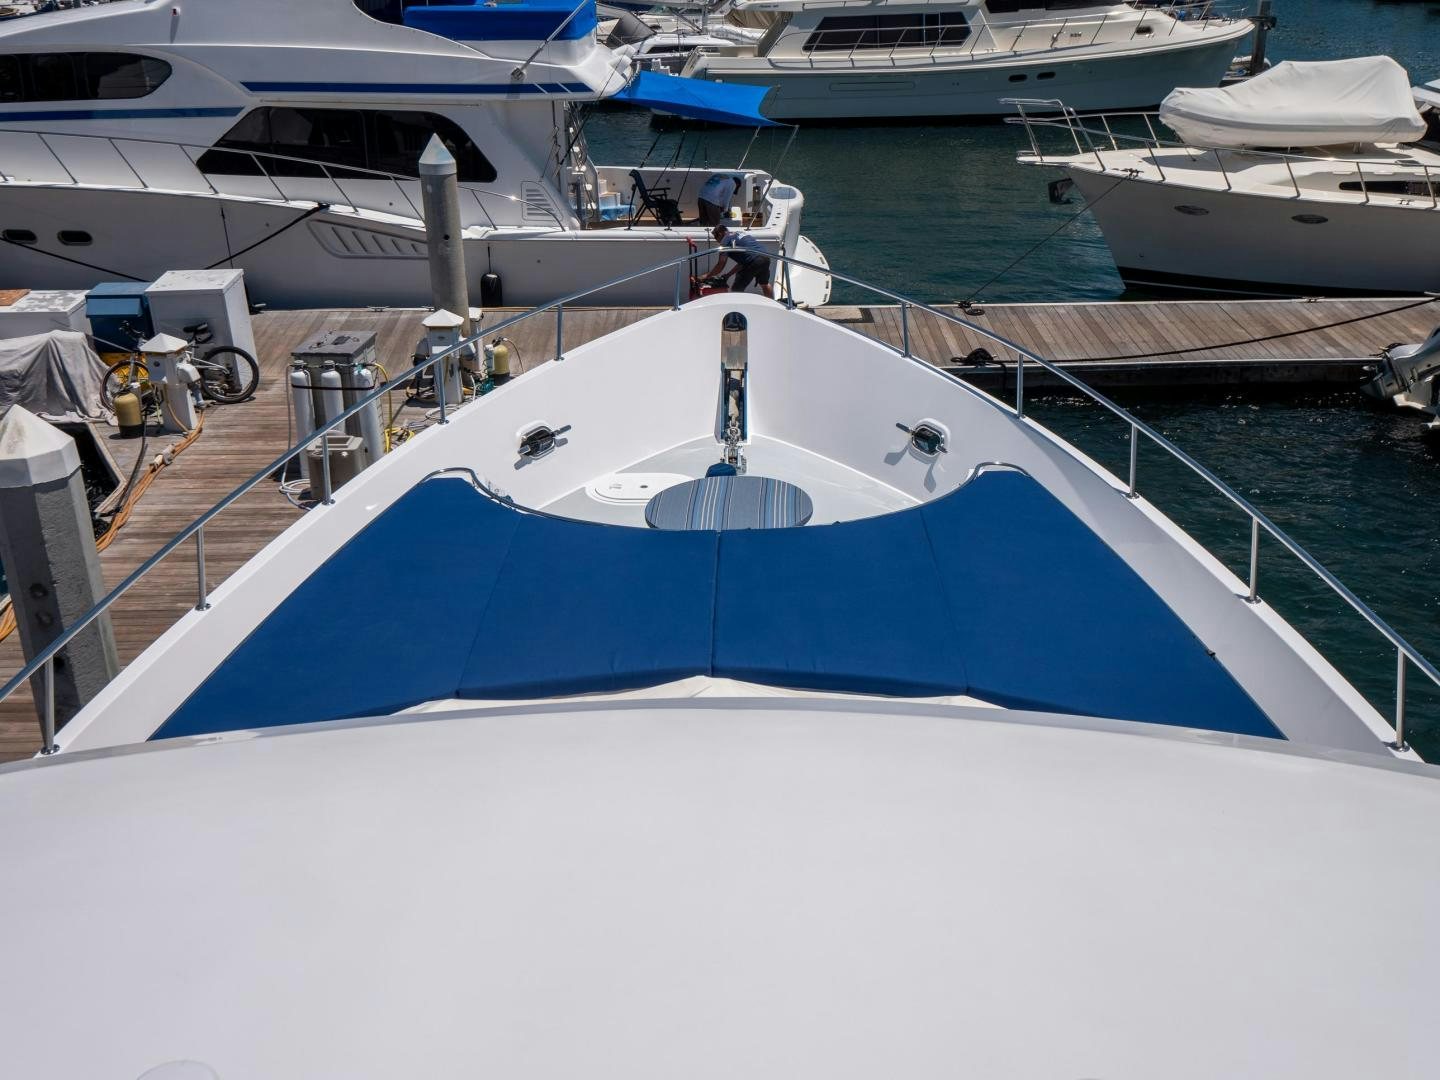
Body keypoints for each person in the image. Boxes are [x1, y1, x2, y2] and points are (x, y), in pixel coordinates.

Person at [709, 224, 774, 299]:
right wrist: (728, 275)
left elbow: (721, 264)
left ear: (720, 234)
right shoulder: (738, 234)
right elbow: (743, 262)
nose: (716, 239)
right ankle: (773, 305)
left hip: (754, 261)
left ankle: (737, 309)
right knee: (765, 284)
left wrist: (707, 276)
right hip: (765, 257)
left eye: (715, 237)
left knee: (736, 290)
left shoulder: (725, 241)